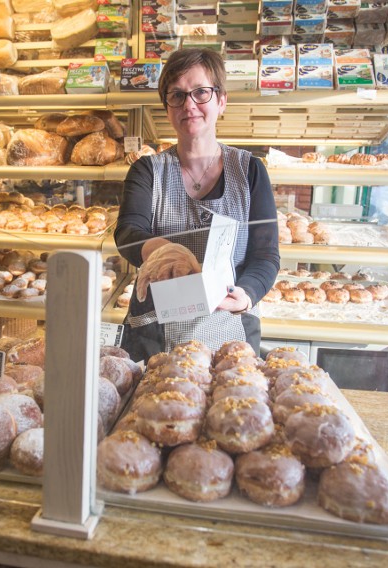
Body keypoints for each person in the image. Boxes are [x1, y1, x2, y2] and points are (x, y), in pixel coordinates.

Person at [114, 48, 280, 362]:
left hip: (229, 334)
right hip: (153, 335)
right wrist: (166, 252)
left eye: (201, 92)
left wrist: (244, 296)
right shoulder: (147, 170)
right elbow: (127, 233)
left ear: (221, 100)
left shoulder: (249, 171)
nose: (189, 105)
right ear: (167, 107)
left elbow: (265, 255)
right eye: (177, 95)